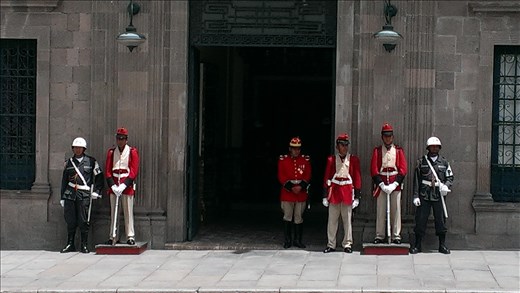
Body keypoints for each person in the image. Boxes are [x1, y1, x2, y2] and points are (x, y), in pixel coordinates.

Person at [410, 136, 454, 254]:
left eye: (436, 146)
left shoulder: (444, 162)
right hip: (425, 194)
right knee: (421, 219)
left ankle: (442, 245)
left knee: (440, 220)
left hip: (438, 194)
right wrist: (416, 196)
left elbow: (450, 177)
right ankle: (418, 244)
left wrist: (446, 186)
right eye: (432, 146)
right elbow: (417, 180)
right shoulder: (421, 162)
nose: (434, 148)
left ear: (439, 148)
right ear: (428, 148)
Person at [60, 137, 103, 253]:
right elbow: (64, 181)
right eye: (75, 148)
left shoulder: (91, 161)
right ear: (72, 149)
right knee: (70, 220)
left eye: (80, 148)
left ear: (84, 149)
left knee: (84, 220)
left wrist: (97, 191)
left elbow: (99, 177)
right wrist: (62, 197)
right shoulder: (68, 162)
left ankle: (84, 244)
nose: (78, 150)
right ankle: (70, 243)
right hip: (70, 194)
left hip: (83, 194)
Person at [322, 133, 362, 253]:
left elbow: (357, 178)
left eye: (346, 145)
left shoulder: (353, 160)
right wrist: (325, 195)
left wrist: (357, 197)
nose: (344, 147)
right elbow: (327, 177)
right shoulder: (331, 160)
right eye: (341, 145)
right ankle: (331, 244)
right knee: (332, 221)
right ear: (337, 146)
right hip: (334, 193)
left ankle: (347, 243)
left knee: (347, 221)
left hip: (347, 193)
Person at [370, 123, 407, 244]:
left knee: (396, 210)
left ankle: (396, 235)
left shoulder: (398, 150)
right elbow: (374, 169)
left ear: (393, 137)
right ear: (382, 137)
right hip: (381, 184)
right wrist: (380, 184)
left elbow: (403, 169)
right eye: (385, 136)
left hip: (394, 183)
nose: (388, 138)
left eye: (390, 136)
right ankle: (380, 235)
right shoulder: (377, 151)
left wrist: (395, 184)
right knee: (381, 210)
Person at [105, 127, 140, 245]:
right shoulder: (111, 152)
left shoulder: (132, 152)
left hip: (126, 185)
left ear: (126, 140)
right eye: (118, 138)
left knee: (128, 211)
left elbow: (134, 171)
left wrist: (124, 185)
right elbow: (108, 171)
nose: (120, 141)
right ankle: (113, 236)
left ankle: (130, 235)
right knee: (114, 211)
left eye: (122, 139)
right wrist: (113, 186)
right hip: (115, 184)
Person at [277, 137, 311, 249]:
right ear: (290, 149)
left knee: (298, 217)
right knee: (287, 217)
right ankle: (287, 240)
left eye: (298, 149)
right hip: (288, 193)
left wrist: (301, 186)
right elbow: (281, 176)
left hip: (300, 194)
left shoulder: (305, 160)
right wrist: (291, 187)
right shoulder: (283, 160)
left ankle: (297, 240)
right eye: (294, 149)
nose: (296, 151)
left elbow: (308, 175)